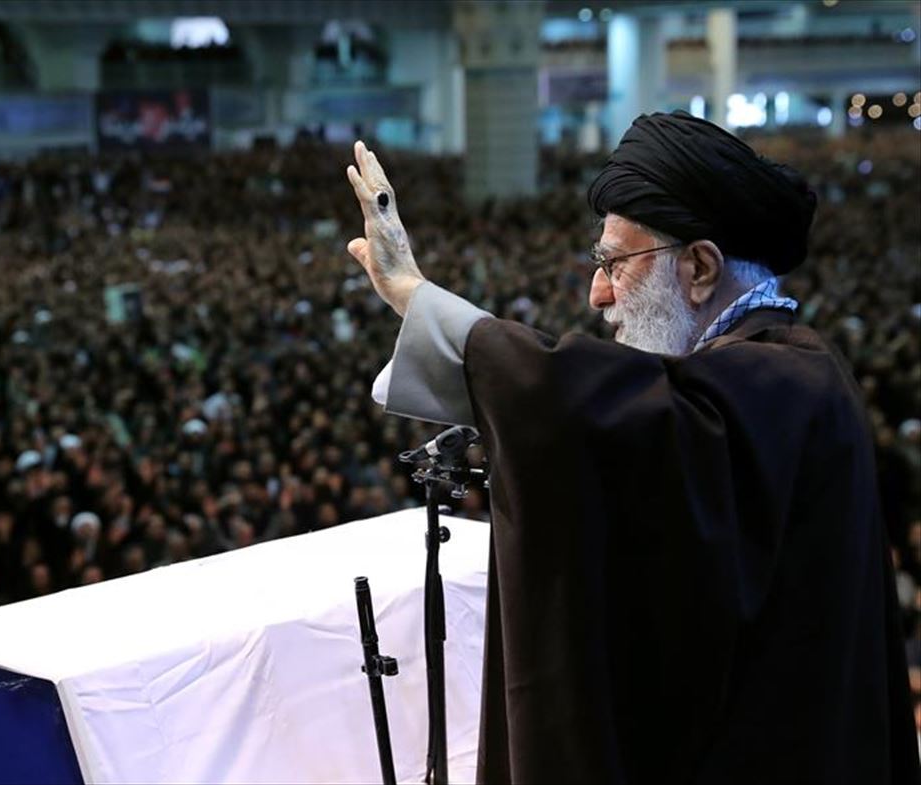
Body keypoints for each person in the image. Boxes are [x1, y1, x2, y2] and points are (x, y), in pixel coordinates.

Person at [343, 113, 919, 783]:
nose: (597, 293)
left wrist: (417, 297)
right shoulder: (775, 374)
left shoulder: (778, 384)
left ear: (699, 266)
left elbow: (593, 417)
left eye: (614, 263)